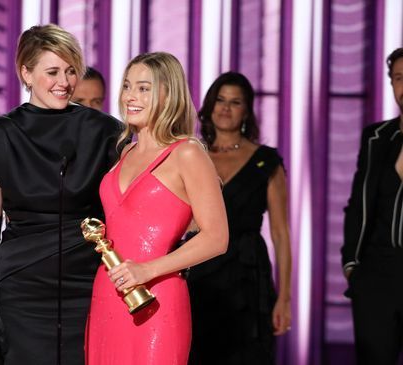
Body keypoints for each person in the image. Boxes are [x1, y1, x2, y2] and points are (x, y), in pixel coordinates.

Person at [0, 24, 122, 365]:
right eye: (52, 71)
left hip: (86, 285)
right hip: (21, 290)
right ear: (25, 72)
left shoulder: (105, 131)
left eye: (71, 71)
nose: (64, 82)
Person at [85, 52, 229, 365]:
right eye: (126, 86)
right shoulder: (125, 151)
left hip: (157, 299)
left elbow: (217, 237)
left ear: (168, 94)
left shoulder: (187, 153)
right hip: (108, 295)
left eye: (143, 88)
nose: (130, 97)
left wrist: (147, 269)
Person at [186, 71, 292, 364]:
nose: (225, 108)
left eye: (235, 102)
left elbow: (281, 234)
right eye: (220, 100)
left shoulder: (266, 161)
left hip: (248, 276)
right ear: (209, 105)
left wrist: (284, 297)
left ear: (247, 110)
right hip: (199, 271)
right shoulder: (189, 154)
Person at [342, 48, 403, 365]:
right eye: (398, 78)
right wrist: (351, 264)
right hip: (376, 273)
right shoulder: (376, 137)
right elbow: (357, 204)